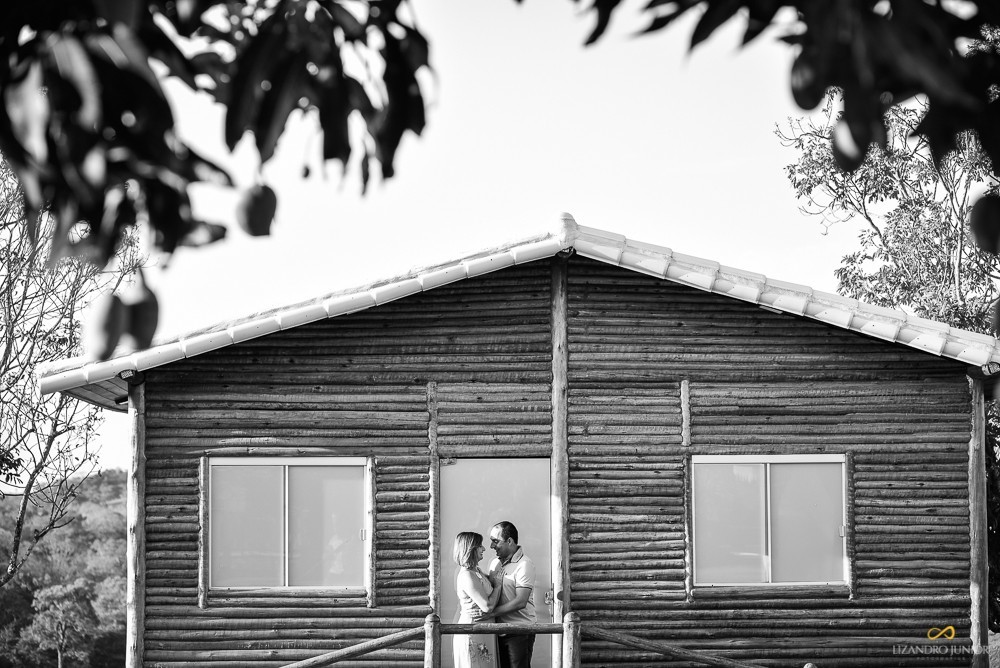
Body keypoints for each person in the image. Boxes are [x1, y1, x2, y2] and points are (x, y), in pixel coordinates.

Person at [480, 521, 536, 668]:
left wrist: (491, 613)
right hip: (498, 629)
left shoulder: (524, 564)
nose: (491, 546)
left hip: (519, 631)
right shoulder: (494, 563)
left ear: (509, 541)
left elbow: (520, 601)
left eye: (495, 541)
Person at [453, 531, 502, 668]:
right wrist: (498, 586)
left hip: (484, 630)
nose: (484, 548)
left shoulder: (477, 571)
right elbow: (487, 606)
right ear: (470, 549)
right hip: (473, 631)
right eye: (480, 546)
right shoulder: (467, 576)